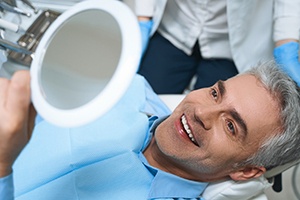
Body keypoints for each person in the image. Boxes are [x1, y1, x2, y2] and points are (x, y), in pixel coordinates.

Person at [1, 61, 300, 199]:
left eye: (231, 125)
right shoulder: (124, 88)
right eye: (215, 93)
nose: (201, 112)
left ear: (246, 171)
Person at [135, 0, 300, 94]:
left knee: (209, 125)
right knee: (143, 102)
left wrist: (287, 41)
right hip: (175, 26)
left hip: (230, 45)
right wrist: (143, 17)